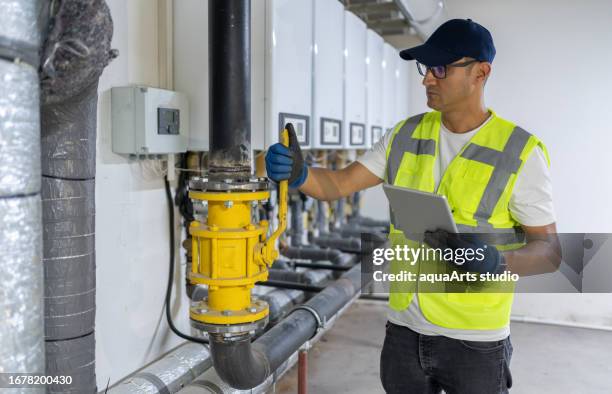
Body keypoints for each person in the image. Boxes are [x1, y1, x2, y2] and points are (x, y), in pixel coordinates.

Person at [265, 18, 561, 394]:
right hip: (404, 331)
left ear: (481, 73)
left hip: (475, 340)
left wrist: (497, 262)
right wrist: (301, 171)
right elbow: (337, 185)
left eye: (440, 68)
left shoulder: (520, 152)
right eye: (425, 68)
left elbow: (550, 252)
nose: (426, 80)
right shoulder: (404, 135)